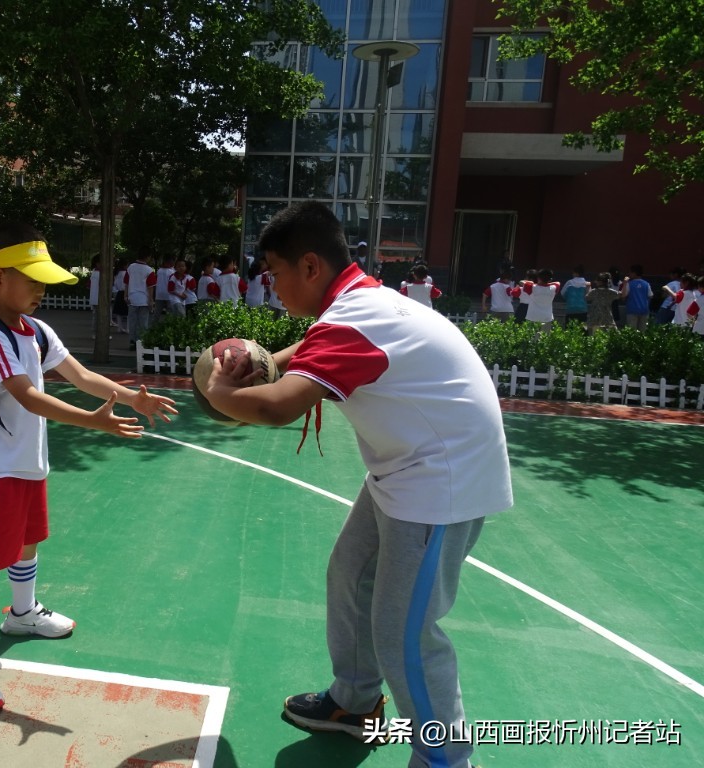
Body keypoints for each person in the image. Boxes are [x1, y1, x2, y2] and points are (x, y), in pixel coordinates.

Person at [201, 202, 511, 768]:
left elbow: (278, 408)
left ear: (311, 266)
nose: (271, 286)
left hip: (440, 484)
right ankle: (355, 702)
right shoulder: (355, 305)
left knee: (405, 634)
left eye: (275, 272)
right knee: (352, 573)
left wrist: (220, 396)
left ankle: (446, 759)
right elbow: (295, 359)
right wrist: (254, 360)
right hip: (409, 469)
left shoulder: (357, 318)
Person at [0, 221, 178, 714]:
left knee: (29, 542)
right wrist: (93, 422)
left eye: (42, 278)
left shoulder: (36, 329)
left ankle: (23, 613)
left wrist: (130, 398)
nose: (40, 287)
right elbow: (28, 397)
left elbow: (82, 374)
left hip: (29, 464)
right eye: (31, 278)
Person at [124, 249, 156, 350]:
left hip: (132, 297)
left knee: (132, 321)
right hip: (144, 299)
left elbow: (126, 282)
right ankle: (141, 342)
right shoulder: (149, 270)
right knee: (143, 322)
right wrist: (151, 300)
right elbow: (150, 286)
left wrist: (125, 295)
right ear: (147, 257)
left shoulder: (131, 267)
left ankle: (132, 341)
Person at [620, 265, 653, 331]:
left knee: (632, 332)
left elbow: (624, 295)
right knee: (643, 332)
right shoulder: (646, 284)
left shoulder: (629, 284)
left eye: (630, 272)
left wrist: (625, 283)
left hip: (632, 310)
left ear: (634, 273)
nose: (629, 274)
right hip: (644, 310)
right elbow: (650, 295)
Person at [154, 256, 175, 322]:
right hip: (169, 294)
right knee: (170, 312)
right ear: (171, 263)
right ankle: (168, 327)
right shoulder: (172, 272)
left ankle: (153, 328)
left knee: (157, 312)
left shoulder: (159, 271)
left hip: (159, 294)